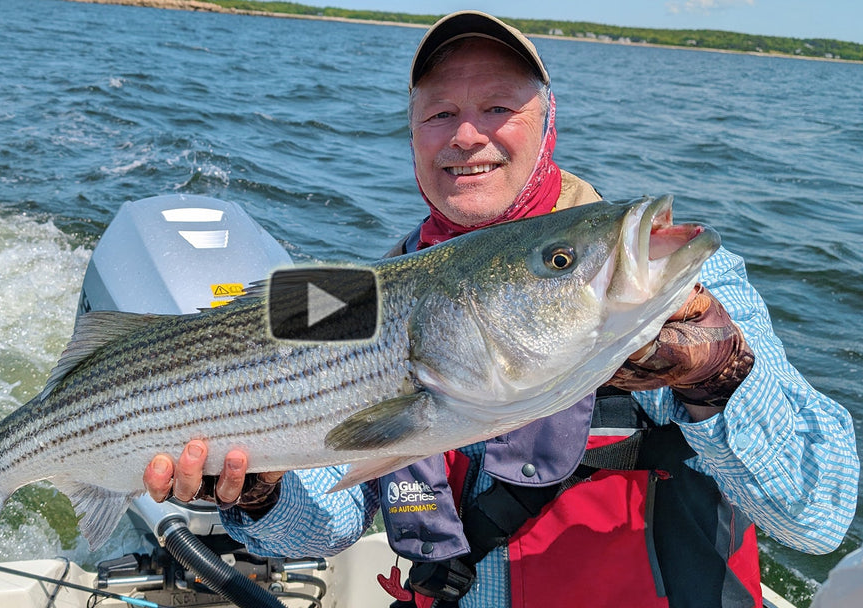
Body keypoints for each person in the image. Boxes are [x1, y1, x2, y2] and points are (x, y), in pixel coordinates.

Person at [142, 11, 859, 607]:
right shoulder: (353, 290)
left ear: (548, 125)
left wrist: (720, 380)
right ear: (413, 135)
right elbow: (326, 524)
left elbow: (818, 515)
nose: (466, 136)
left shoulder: (662, 282)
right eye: (440, 113)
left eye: (498, 109)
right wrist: (260, 494)